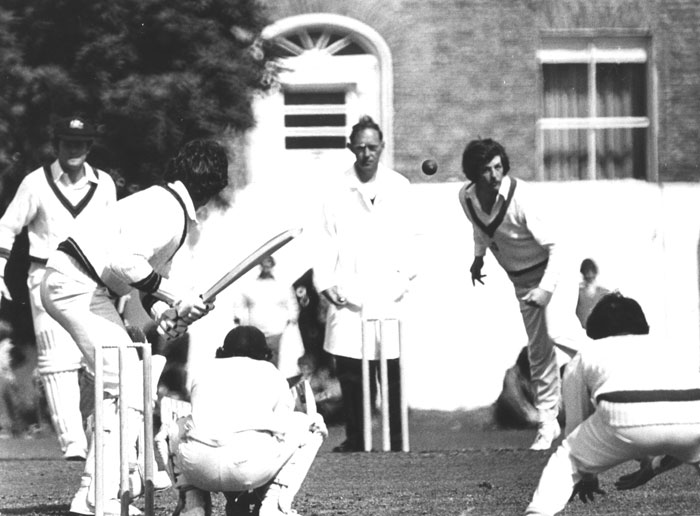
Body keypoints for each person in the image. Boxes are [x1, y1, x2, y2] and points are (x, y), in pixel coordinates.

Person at [41, 138, 229, 516]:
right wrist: (178, 296)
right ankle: (103, 497)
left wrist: (166, 315)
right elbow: (124, 263)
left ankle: (91, 493)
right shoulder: (167, 210)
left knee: (130, 378)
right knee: (128, 379)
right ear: (209, 185)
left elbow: (146, 283)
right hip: (77, 283)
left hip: (83, 285)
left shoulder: (167, 205)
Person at [458, 138, 587, 450]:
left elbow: (557, 247)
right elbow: (481, 229)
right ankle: (547, 425)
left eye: (498, 167)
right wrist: (478, 259)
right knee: (539, 354)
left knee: (560, 333)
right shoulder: (466, 197)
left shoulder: (522, 197)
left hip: (553, 273)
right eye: (486, 170)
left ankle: (609, 372)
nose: (494, 175)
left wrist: (545, 290)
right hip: (522, 282)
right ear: (474, 173)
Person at [0, 115, 117, 460]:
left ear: (89, 146)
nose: (74, 149)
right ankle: (72, 441)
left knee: (99, 359)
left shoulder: (105, 184)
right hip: (46, 276)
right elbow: (7, 227)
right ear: (57, 145)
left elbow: (114, 235)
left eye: (80, 143)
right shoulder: (36, 183)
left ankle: (94, 429)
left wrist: (118, 285)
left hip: (92, 280)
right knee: (56, 357)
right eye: (68, 143)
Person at [524, 292, 700, 515]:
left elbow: (575, 426)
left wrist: (587, 473)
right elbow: (680, 422)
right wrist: (654, 467)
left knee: (566, 459)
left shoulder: (586, 353)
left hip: (623, 417)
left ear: (596, 329)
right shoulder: (674, 346)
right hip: (694, 417)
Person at [314, 115, 416, 452]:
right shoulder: (334, 188)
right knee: (353, 374)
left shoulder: (399, 187)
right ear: (350, 148)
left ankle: (397, 441)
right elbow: (325, 240)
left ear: (382, 147)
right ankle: (358, 439)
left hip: (389, 293)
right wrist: (326, 282)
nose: (366, 154)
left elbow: (411, 239)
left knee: (391, 372)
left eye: (372, 147)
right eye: (360, 148)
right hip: (349, 294)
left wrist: (403, 278)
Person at [158, 325, 327, 516]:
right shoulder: (271, 372)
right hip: (250, 467)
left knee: (172, 427)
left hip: (198, 468)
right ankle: (274, 505)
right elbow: (282, 426)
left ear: (221, 352)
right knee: (313, 425)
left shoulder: (204, 371)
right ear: (266, 354)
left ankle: (192, 503)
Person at [233, 255, 299, 369]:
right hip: (255, 331)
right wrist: (240, 319)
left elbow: (292, 304)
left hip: (276, 331)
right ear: (260, 266)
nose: (266, 267)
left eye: (269, 264)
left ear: (273, 266)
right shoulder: (251, 285)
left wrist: (290, 320)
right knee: (256, 362)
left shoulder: (282, 284)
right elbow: (239, 304)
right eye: (264, 264)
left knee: (272, 362)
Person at [575, 258, 610, 329]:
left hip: (599, 330)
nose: (589, 275)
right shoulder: (577, 293)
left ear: (595, 273)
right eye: (586, 272)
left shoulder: (604, 293)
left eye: (591, 273)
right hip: (580, 331)